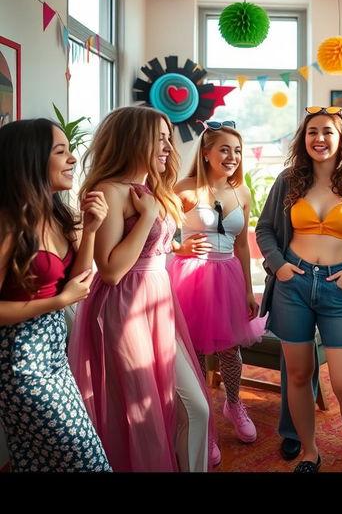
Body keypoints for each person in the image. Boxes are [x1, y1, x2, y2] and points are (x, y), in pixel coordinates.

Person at [68, 106, 217, 472]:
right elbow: (112, 269)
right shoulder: (108, 190)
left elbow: (157, 248)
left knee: (194, 407)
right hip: (124, 309)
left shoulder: (151, 188)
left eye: (168, 138)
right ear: (134, 140)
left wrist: (170, 238)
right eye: (160, 138)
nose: (167, 146)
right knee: (139, 411)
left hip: (159, 304)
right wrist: (148, 216)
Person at [256, 106, 342, 472]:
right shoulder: (288, 180)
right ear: (303, 138)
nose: (319, 138)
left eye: (327, 131)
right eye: (312, 132)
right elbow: (265, 229)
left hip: (339, 288)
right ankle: (309, 451)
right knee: (296, 374)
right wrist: (280, 268)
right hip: (293, 286)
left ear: (341, 137)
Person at [0, 118, 111, 472]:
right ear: (30, 159)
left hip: (53, 352)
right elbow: (67, 296)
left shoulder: (58, 213)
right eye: (60, 151)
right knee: (89, 462)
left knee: (35, 463)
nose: (73, 159)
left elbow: (79, 281)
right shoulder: (8, 221)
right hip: (20, 362)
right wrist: (58, 303)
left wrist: (91, 229)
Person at [167, 121, 266, 444]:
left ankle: (234, 405)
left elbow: (240, 245)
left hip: (227, 277)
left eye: (237, 150)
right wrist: (179, 247)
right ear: (207, 153)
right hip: (190, 277)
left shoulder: (242, 191)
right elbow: (158, 234)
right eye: (225, 149)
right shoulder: (183, 188)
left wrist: (249, 291)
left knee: (230, 350)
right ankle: (200, 419)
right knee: (192, 351)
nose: (232, 156)